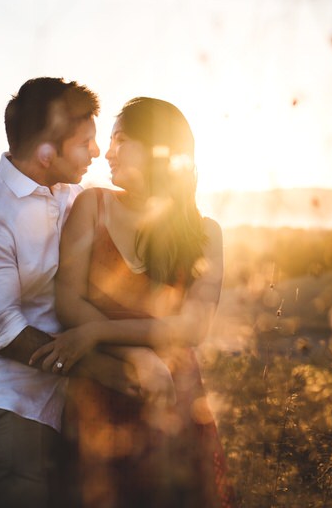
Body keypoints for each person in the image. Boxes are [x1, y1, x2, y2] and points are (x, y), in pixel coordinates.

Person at [31, 97, 235, 507]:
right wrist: (135, 355)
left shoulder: (206, 233)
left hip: (172, 400)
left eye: (121, 140)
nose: (108, 153)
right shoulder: (92, 205)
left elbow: (193, 327)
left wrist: (98, 332)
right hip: (101, 394)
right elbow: (68, 301)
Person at [0, 77, 141, 508]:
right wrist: (104, 370)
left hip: (64, 410)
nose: (97, 151)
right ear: (48, 151)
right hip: (9, 411)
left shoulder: (71, 196)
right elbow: (5, 332)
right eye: (85, 142)